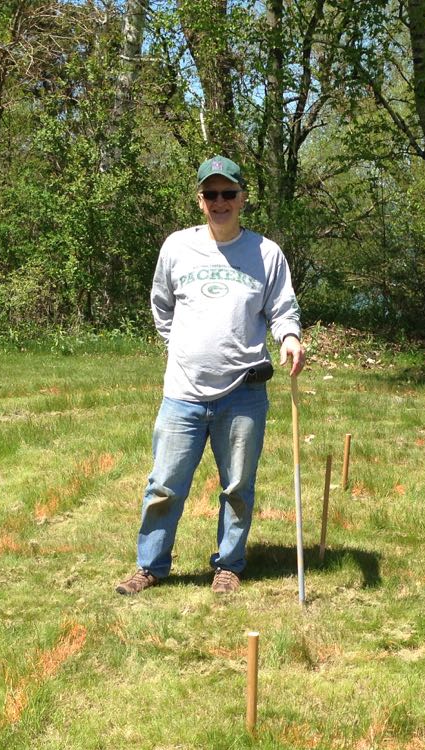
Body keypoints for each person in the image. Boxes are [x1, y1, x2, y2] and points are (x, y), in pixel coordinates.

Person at [116, 155, 306, 596]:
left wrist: (290, 338)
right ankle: (150, 566)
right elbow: (161, 305)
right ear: (200, 201)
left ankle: (229, 565)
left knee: (238, 487)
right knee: (164, 486)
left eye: (228, 194)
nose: (219, 202)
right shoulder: (177, 248)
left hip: (243, 393)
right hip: (181, 394)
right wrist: (182, 346)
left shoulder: (266, 253)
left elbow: (281, 309)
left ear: (242, 199)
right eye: (210, 194)